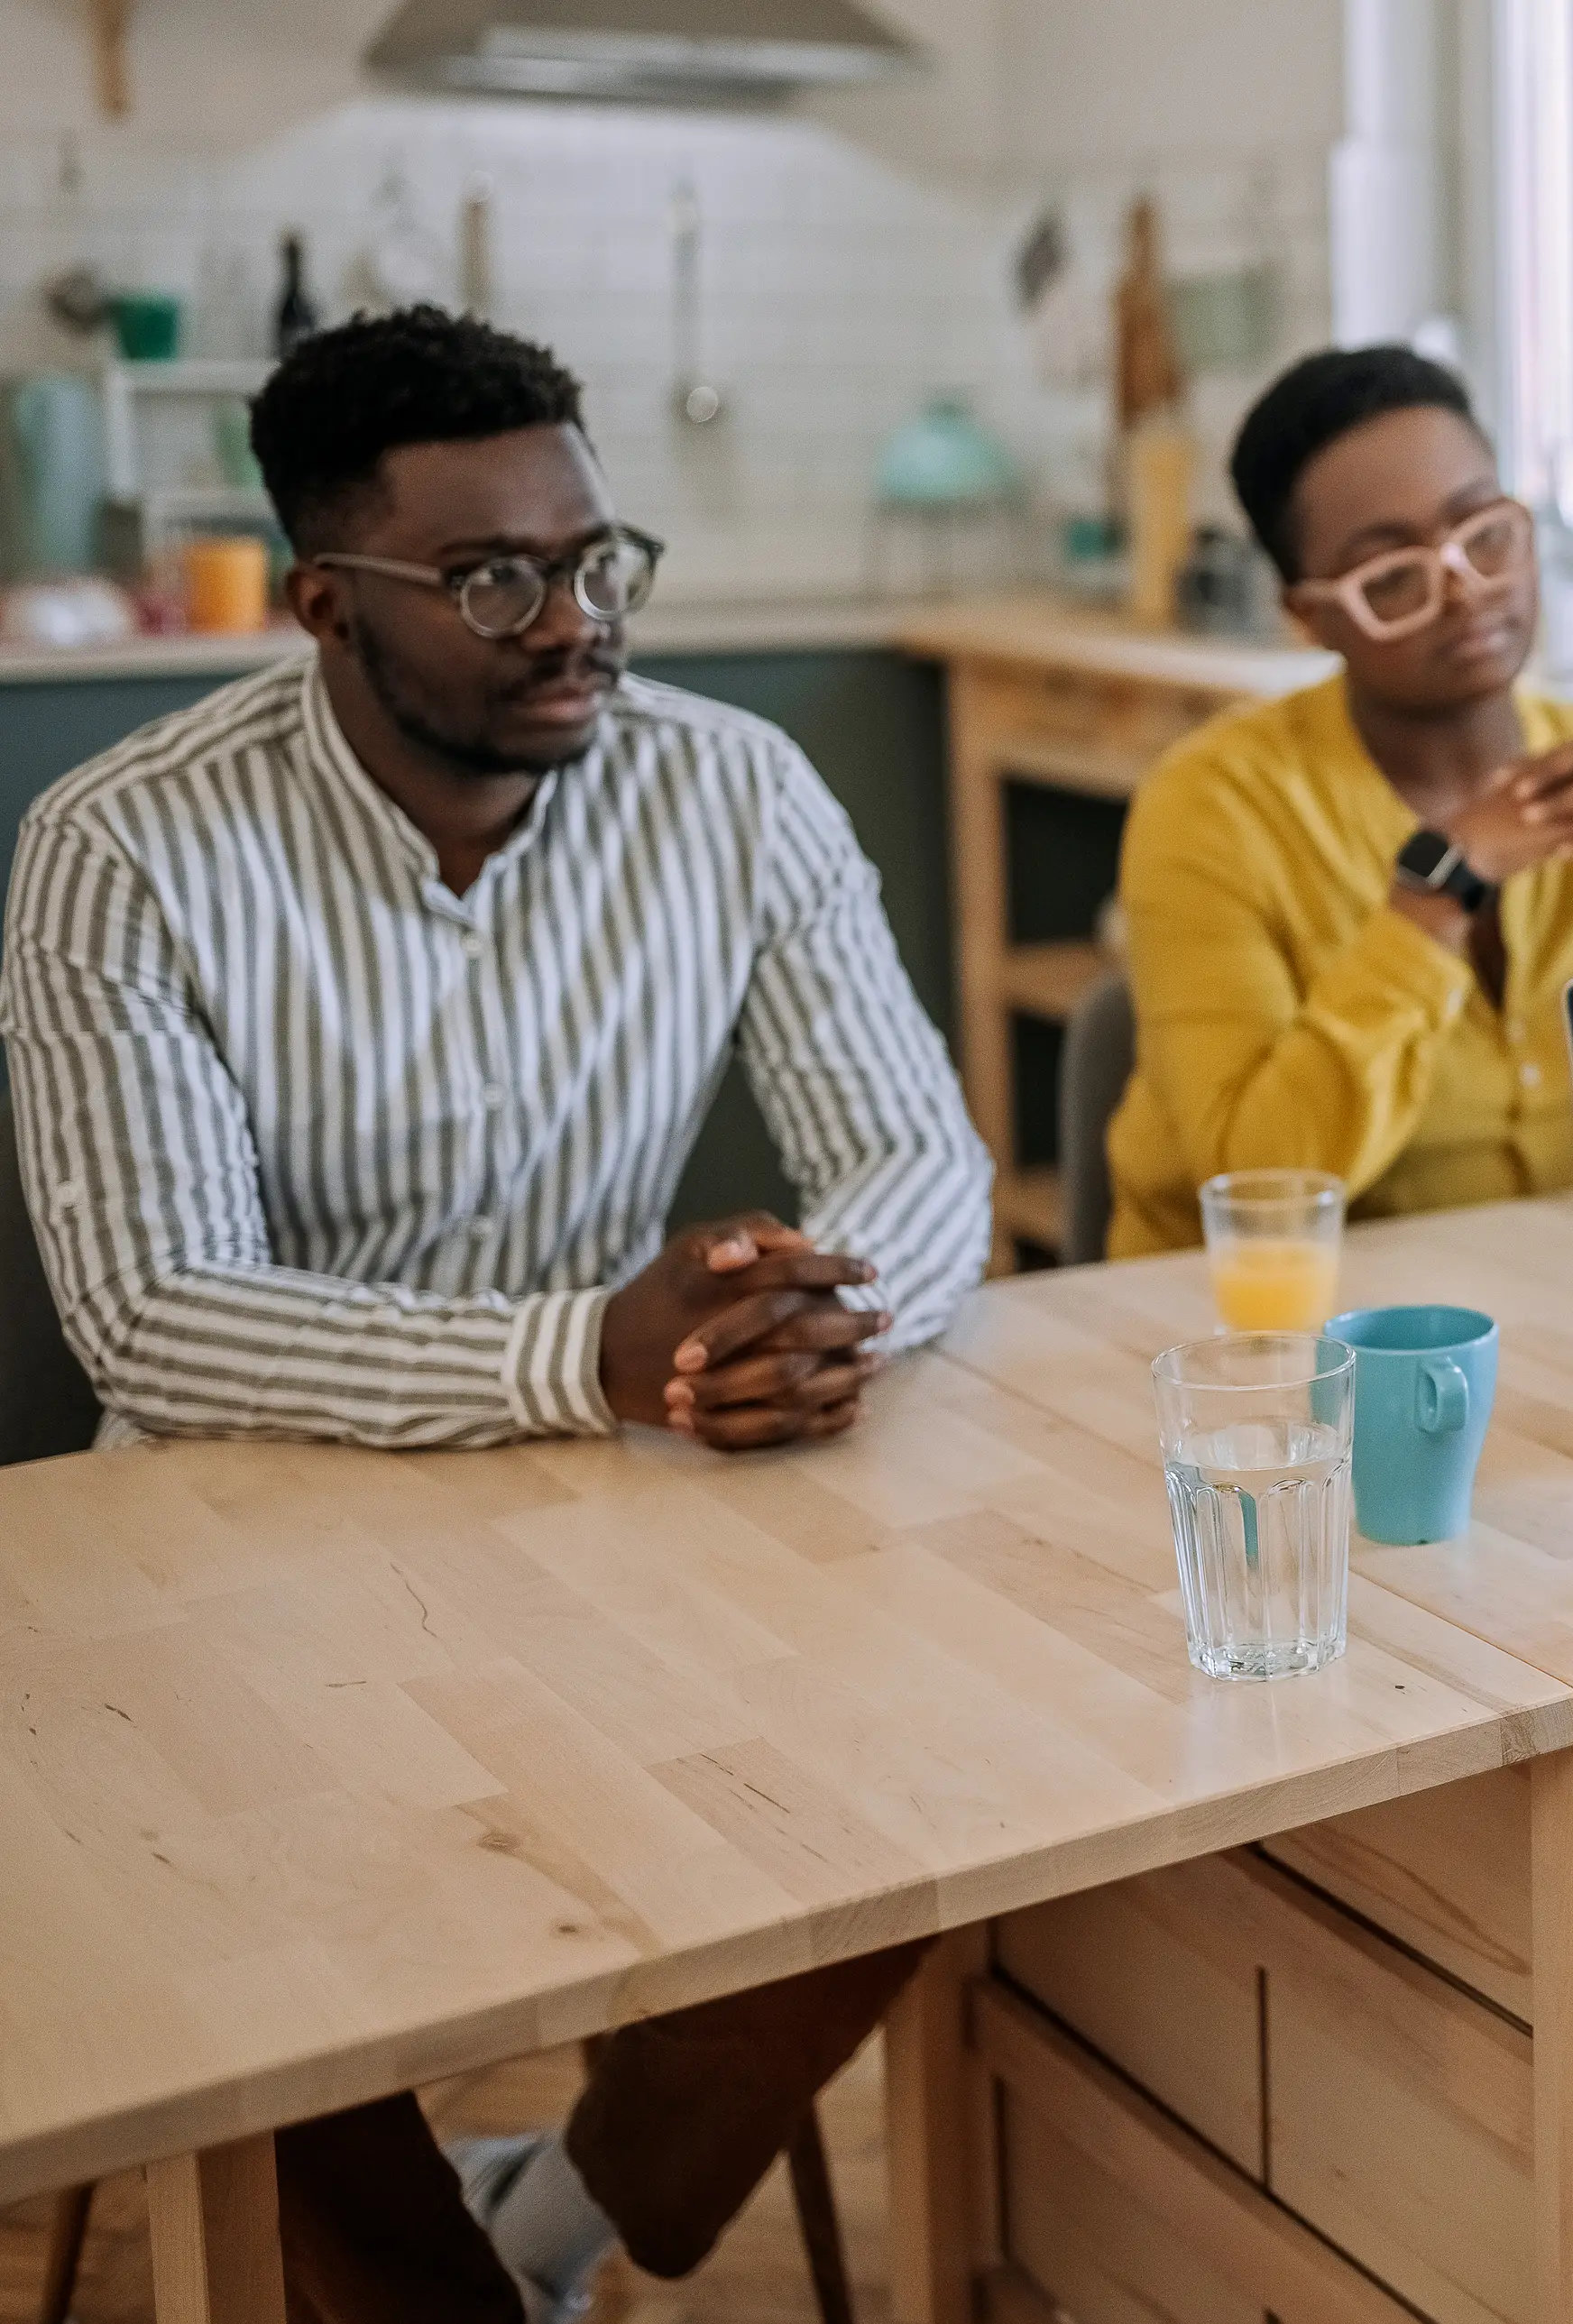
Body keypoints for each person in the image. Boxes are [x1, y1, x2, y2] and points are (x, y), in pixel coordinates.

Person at [0, 308, 989, 2317]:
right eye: (492, 579)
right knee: (218, 1979)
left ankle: (545, 2229)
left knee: (962, 1782)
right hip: (226, 1576)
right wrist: (579, 1353)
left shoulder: (737, 789)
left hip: (625, 1514)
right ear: (324, 606)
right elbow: (153, 1317)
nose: (572, 626)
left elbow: (920, 1153)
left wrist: (815, 1307)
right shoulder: (120, 847)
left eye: (595, 559)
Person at [1101, 344, 1573, 1256]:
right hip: (1283, 1346)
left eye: (1487, 534)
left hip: (1569, 1315)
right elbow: (1258, 1187)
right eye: (1391, 576)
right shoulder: (1213, 807)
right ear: (1308, 615)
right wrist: (1433, 902)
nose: (1466, 589)